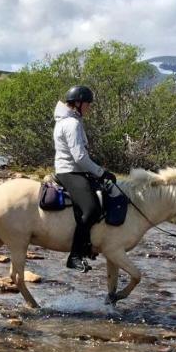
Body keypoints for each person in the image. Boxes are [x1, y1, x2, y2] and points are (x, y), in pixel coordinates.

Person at [53, 85, 114, 272]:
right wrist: (101, 172)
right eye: (88, 104)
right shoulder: (72, 124)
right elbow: (79, 157)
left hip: (74, 170)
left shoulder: (68, 120)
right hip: (70, 172)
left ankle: (88, 245)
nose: (89, 108)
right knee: (92, 209)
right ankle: (75, 256)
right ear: (78, 103)